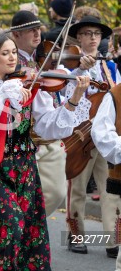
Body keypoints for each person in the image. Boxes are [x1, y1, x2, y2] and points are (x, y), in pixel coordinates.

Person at [0, 31, 90, 270]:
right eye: (5, 53)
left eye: (13, 52)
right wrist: (4, 92)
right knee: (10, 225)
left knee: (29, 234)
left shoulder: (29, 87)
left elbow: (49, 126)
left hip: (24, 167)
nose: (12, 58)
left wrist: (75, 98)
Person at [9, 10, 95, 216]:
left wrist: (81, 71)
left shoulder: (43, 60)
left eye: (38, 29)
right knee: (19, 197)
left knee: (55, 194)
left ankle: (25, 230)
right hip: (19, 142)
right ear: (16, 35)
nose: (37, 34)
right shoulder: (11, 62)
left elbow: (60, 82)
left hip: (49, 141)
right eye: (30, 30)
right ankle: (20, 237)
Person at [65, 15, 119, 257]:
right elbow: (64, 98)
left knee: (111, 190)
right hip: (81, 136)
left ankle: (112, 240)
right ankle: (76, 235)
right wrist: (79, 71)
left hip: (106, 136)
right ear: (79, 37)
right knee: (77, 189)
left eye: (96, 34)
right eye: (87, 33)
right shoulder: (68, 66)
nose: (93, 38)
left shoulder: (110, 67)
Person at [91, 83, 121, 271]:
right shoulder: (116, 94)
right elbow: (101, 132)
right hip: (81, 140)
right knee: (77, 191)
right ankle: (75, 232)